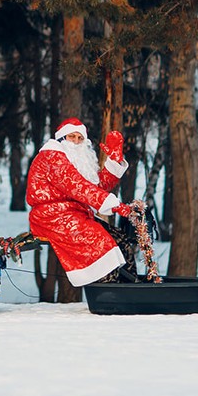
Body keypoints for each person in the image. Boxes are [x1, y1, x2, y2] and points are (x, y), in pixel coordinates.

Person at [25, 117, 143, 286]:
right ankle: (107, 292)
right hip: (52, 216)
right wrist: (114, 204)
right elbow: (77, 187)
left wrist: (114, 162)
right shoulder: (52, 156)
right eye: (71, 137)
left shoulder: (74, 160)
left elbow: (96, 186)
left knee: (120, 240)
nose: (76, 142)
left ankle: (128, 288)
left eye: (80, 138)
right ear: (61, 138)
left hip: (75, 213)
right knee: (101, 243)